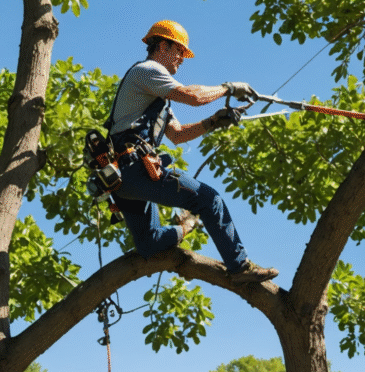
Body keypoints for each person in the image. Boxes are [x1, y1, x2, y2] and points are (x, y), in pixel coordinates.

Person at [105, 20, 278, 284]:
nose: (182, 59)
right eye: (179, 51)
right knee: (210, 201)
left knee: (149, 244)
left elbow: (177, 134)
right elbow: (193, 97)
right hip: (135, 168)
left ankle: (184, 227)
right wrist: (228, 88)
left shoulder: (157, 97)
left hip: (121, 179)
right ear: (161, 45)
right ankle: (240, 267)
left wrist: (212, 122)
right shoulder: (148, 70)